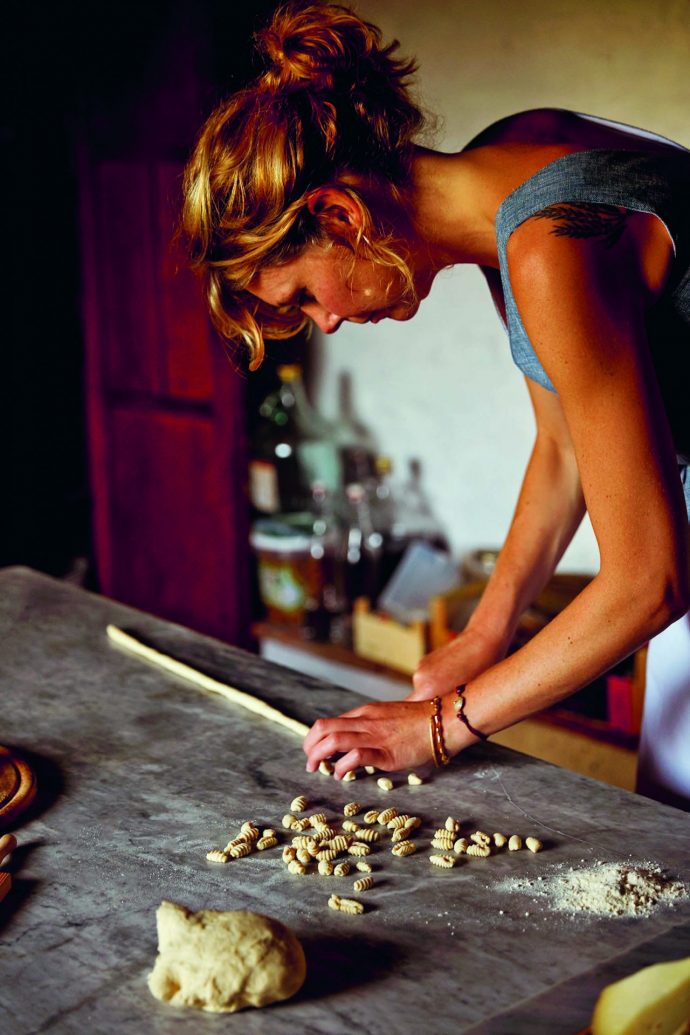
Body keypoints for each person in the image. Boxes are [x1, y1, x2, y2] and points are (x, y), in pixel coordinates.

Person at [182, 2, 690, 807]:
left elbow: (649, 580)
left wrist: (439, 726)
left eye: (306, 295)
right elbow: (563, 448)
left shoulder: (549, 248)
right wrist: (484, 634)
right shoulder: (516, 162)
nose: (328, 323)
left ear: (340, 214)